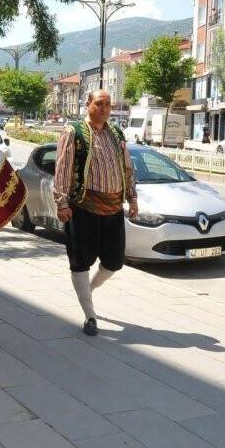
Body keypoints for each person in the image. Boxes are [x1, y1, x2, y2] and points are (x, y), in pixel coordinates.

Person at [53, 89, 139, 336]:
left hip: (113, 209)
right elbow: (63, 170)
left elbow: (127, 168)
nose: (104, 108)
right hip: (83, 207)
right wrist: (62, 203)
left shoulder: (116, 133)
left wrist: (132, 197)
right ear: (87, 104)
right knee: (80, 262)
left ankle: (88, 291)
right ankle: (90, 315)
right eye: (99, 103)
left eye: (108, 104)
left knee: (114, 262)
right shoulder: (74, 133)